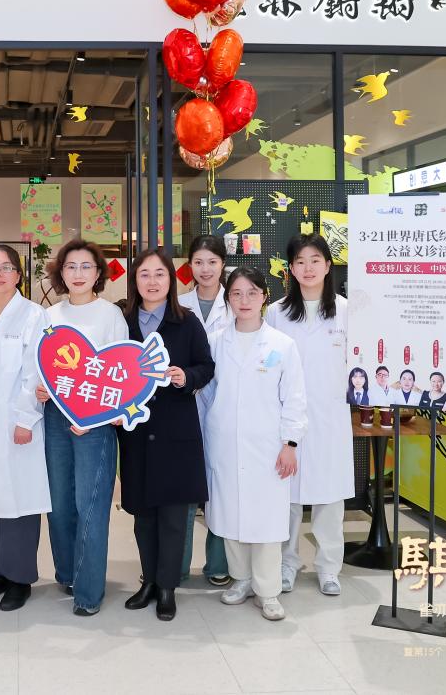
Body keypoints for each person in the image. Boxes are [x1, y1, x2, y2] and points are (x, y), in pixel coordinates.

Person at [200, 268, 308, 621]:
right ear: (227, 299)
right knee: (229, 514)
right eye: (236, 294)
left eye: (251, 293)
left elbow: (294, 398)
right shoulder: (215, 341)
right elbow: (206, 393)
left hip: (268, 446)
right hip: (224, 442)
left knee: (266, 519)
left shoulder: (281, 345)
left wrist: (290, 443)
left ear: (264, 296)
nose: (244, 300)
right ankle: (241, 579)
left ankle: (268, 590)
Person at [119, 247, 214, 622]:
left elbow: (206, 366)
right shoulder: (123, 322)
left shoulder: (186, 322)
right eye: (144, 274)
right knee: (143, 515)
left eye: (160, 274)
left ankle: (167, 588)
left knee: (174, 516)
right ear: (134, 280)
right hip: (136, 432)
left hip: (176, 432)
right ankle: (149, 581)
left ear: (171, 280)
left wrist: (185, 377)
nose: (152, 281)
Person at [34, 238, 126, 616]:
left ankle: (88, 592)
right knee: (58, 503)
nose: (78, 273)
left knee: (90, 504)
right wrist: (39, 388)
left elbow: (119, 374)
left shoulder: (110, 315)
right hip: (56, 417)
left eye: (86, 266)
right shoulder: (49, 315)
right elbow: (38, 363)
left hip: (95, 422)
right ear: (61, 272)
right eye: (70, 266)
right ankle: (67, 571)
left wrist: (91, 416)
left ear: (98, 273)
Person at [266, 233, 352, 598]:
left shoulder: (347, 311)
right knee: (287, 497)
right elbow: (269, 364)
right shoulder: (276, 312)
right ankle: (287, 563)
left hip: (331, 417)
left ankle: (329, 568)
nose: (308, 268)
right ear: (291, 269)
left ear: (328, 266)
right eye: (300, 261)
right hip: (288, 417)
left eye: (315, 260)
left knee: (329, 499)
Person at [0, 245, 50, 612]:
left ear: (19, 275)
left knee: (19, 499)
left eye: (6, 267)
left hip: (20, 425)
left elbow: (37, 371)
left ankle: (20, 578)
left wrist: (25, 418)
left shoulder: (34, 315)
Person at [175, 235, 231, 588]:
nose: (205, 269)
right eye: (198, 262)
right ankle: (177, 565)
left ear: (222, 263)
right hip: (185, 404)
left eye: (212, 261)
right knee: (183, 488)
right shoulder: (178, 305)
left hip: (226, 405)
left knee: (220, 486)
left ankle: (218, 563)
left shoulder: (238, 301)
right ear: (190, 265)